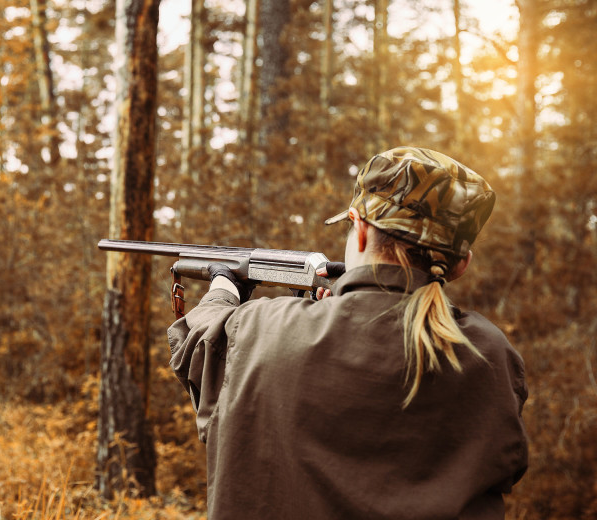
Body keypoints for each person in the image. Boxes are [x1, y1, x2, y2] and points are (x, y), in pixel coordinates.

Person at [167, 147, 528, 520]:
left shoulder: (261, 330)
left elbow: (198, 342)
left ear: (360, 229)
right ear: (461, 265)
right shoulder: (492, 355)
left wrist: (224, 288)